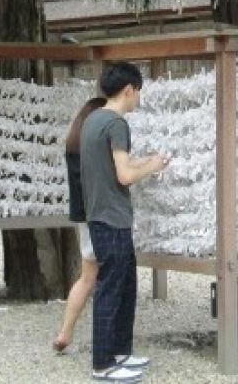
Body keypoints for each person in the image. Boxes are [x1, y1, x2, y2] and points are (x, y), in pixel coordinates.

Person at [81, 62, 169, 382]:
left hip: (99, 213)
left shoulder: (93, 119)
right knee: (111, 289)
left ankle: (120, 353)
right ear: (129, 90)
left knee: (126, 286)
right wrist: (151, 167)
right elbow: (125, 174)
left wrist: (149, 162)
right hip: (112, 217)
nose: (139, 99)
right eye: (138, 92)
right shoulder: (117, 124)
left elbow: (115, 166)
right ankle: (103, 364)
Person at [53, 96, 107, 354]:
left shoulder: (73, 143)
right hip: (99, 215)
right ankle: (106, 340)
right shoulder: (95, 144)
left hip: (81, 216)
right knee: (106, 278)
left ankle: (65, 332)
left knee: (87, 278)